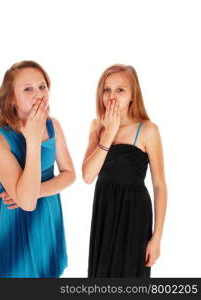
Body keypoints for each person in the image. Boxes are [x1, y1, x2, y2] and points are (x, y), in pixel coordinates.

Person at [0, 60, 76, 278]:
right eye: (28, 88)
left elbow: (69, 174)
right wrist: (32, 139)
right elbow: (26, 204)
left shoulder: (54, 125)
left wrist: (36, 192)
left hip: (47, 215)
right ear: (12, 98)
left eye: (42, 86)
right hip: (15, 221)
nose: (39, 93)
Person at [82, 64, 167, 278]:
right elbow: (88, 176)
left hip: (134, 214)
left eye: (120, 90)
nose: (112, 97)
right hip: (104, 211)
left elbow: (159, 185)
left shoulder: (148, 130)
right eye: (106, 89)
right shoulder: (97, 127)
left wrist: (156, 238)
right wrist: (108, 133)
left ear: (132, 95)